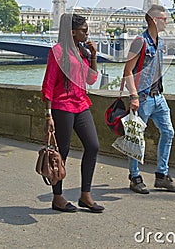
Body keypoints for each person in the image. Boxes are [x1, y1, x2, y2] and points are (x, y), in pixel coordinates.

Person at [41, 13, 104, 213]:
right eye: (84, 30)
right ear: (72, 32)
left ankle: (85, 195)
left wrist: (93, 56)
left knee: (93, 146)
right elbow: (49, 83)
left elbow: (91, 79)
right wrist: (48, 114)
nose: (87, 33)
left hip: (81, 104)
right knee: (62, 153)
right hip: (62, 106)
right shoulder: (57, 52)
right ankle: (57, 197)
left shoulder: (82, 51)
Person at [123, 4, 175, 194]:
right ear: (155, 20)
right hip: (142, 97)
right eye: (164, 19)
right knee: (136, 138)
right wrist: (133, 96)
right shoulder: (139, 42)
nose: (167, 22)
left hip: (158, 96)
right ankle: (135, 176)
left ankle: (161, 175)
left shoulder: (161, 42)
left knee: (168, 132)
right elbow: (127, 72)